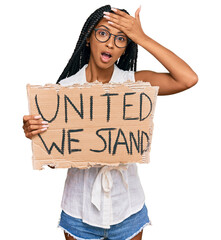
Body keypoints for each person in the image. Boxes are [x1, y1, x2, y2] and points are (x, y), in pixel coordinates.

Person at [22, 5, 198, 240]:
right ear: (88, 39)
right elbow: (55, 161)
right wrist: (37, 136)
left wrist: (141, 37)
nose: (110, 44)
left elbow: (188, 79)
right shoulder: (64, 91)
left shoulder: (134, 83)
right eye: (103, 33)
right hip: (78, 213)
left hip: (128, 210)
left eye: (121, 38)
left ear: (125, 48)